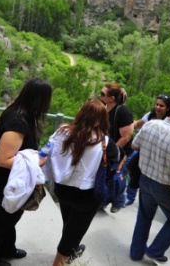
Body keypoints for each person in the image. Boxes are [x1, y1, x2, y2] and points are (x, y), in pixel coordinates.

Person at [0, 78, 53, 266]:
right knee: (3, 219)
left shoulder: (18, 113)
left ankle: (6, 248)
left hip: (10, 178)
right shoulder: (17, 122)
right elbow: (3, 160)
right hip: (9, 180)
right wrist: (37, 162)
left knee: (9, 215)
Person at [45, 99, 119, 266]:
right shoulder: (104, 142)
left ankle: (71, 249)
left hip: (62, 189)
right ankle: (61, 260)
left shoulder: (63, 132)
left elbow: (48, 151)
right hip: (87, 195)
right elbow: (115, 162)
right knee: (74, 231)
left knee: (69, 224)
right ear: (101, 119)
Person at [129, 100, 170, 264]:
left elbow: (134, 145)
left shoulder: (151, 124)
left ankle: (136, 252)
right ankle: (155, 251)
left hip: (145, 179)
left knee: (144, 215)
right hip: (166, 187)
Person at [126, 94, 170, 206]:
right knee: (132, 170)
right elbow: (138, 123)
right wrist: (127, 126)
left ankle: (139, 198)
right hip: (143, 151)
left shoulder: (169, 121)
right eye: (157, 104)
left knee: (146, 177)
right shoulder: (150, 115)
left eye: (161, 106)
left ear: (167, 108)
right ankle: (129, 196)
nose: (158, 107)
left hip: (157, 155)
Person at [98, 82, 133, 213]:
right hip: (109, 149)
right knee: (108, 174)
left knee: (116, 177)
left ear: (112, 98)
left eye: (102, 94)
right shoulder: (104, 109)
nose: (99, 96)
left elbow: (126, 137)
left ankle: (118, 202)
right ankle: (104, 200)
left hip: (122, 152)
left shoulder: (122, 112)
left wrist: (112, 152)